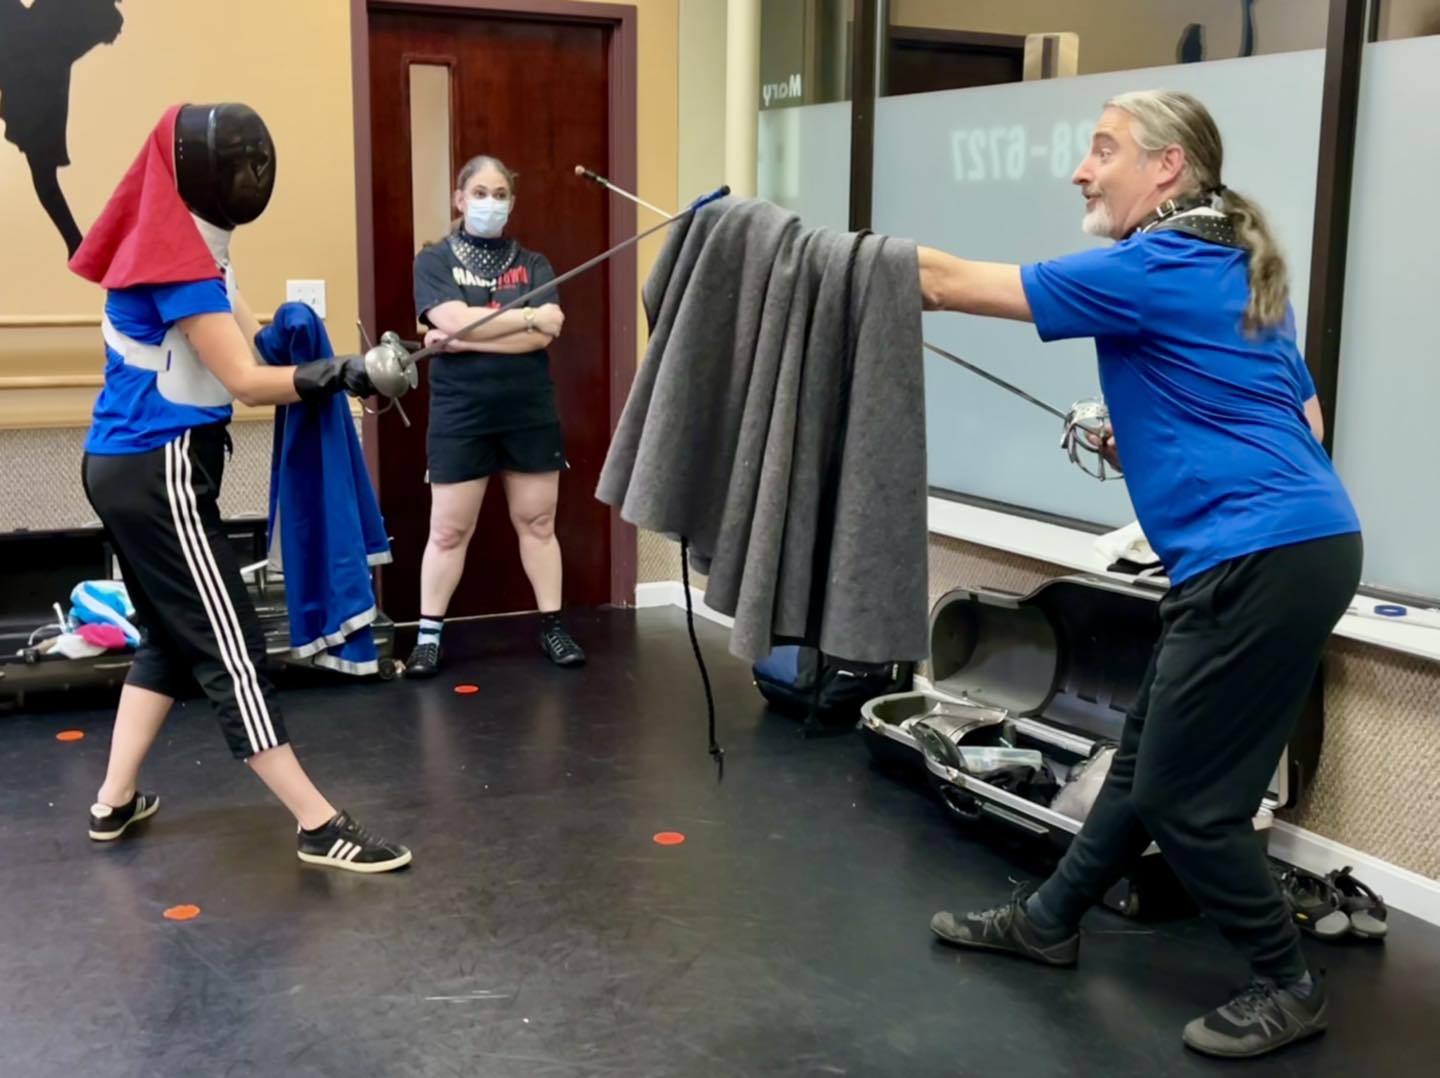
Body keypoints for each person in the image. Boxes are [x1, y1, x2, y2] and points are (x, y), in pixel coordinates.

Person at [915, 90, 1362, 1060]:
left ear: (1166, 167)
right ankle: (1049, 919)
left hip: (1257, 555)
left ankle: (1286, 979)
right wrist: (1160, 442)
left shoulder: (1157, 263)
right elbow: (1305, 424)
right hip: (1293, 544)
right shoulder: (1234, 266)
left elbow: (947, 283)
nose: (1083, 168)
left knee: (1182, 799)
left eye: (1102, 149)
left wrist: (809, 252)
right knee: (1147, 752)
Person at [68, 102, 411, 873]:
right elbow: (247, 383)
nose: (245, 174)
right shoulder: (171, 258)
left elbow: (249, 346)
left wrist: (314, 345)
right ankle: (318, 823)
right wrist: (350, 374)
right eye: (229, 161)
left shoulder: (198, 252)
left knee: (167, 639)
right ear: (191, 170)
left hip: (127, 467)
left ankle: (112, 800)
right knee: (231, 646)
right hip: (159, 469)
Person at [404, 154, 585, 678]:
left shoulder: (536, 263)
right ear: (459, 200)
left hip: (528, 411)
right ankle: (428, 637)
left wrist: (461, 340)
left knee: (538, 522)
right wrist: (524, 317)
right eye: (479, 193)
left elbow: (543, 335)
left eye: (500, 194)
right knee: (448, 532)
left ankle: (553, 625)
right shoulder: (433, 260)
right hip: (461, 414)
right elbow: (455, 321)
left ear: (512, 203)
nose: (489, 203)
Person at [0, 0, 125, 258]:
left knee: (44, 173)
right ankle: (75, 243)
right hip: (36, 71)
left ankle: (75, 243)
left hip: (39, 78)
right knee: (44, 174)